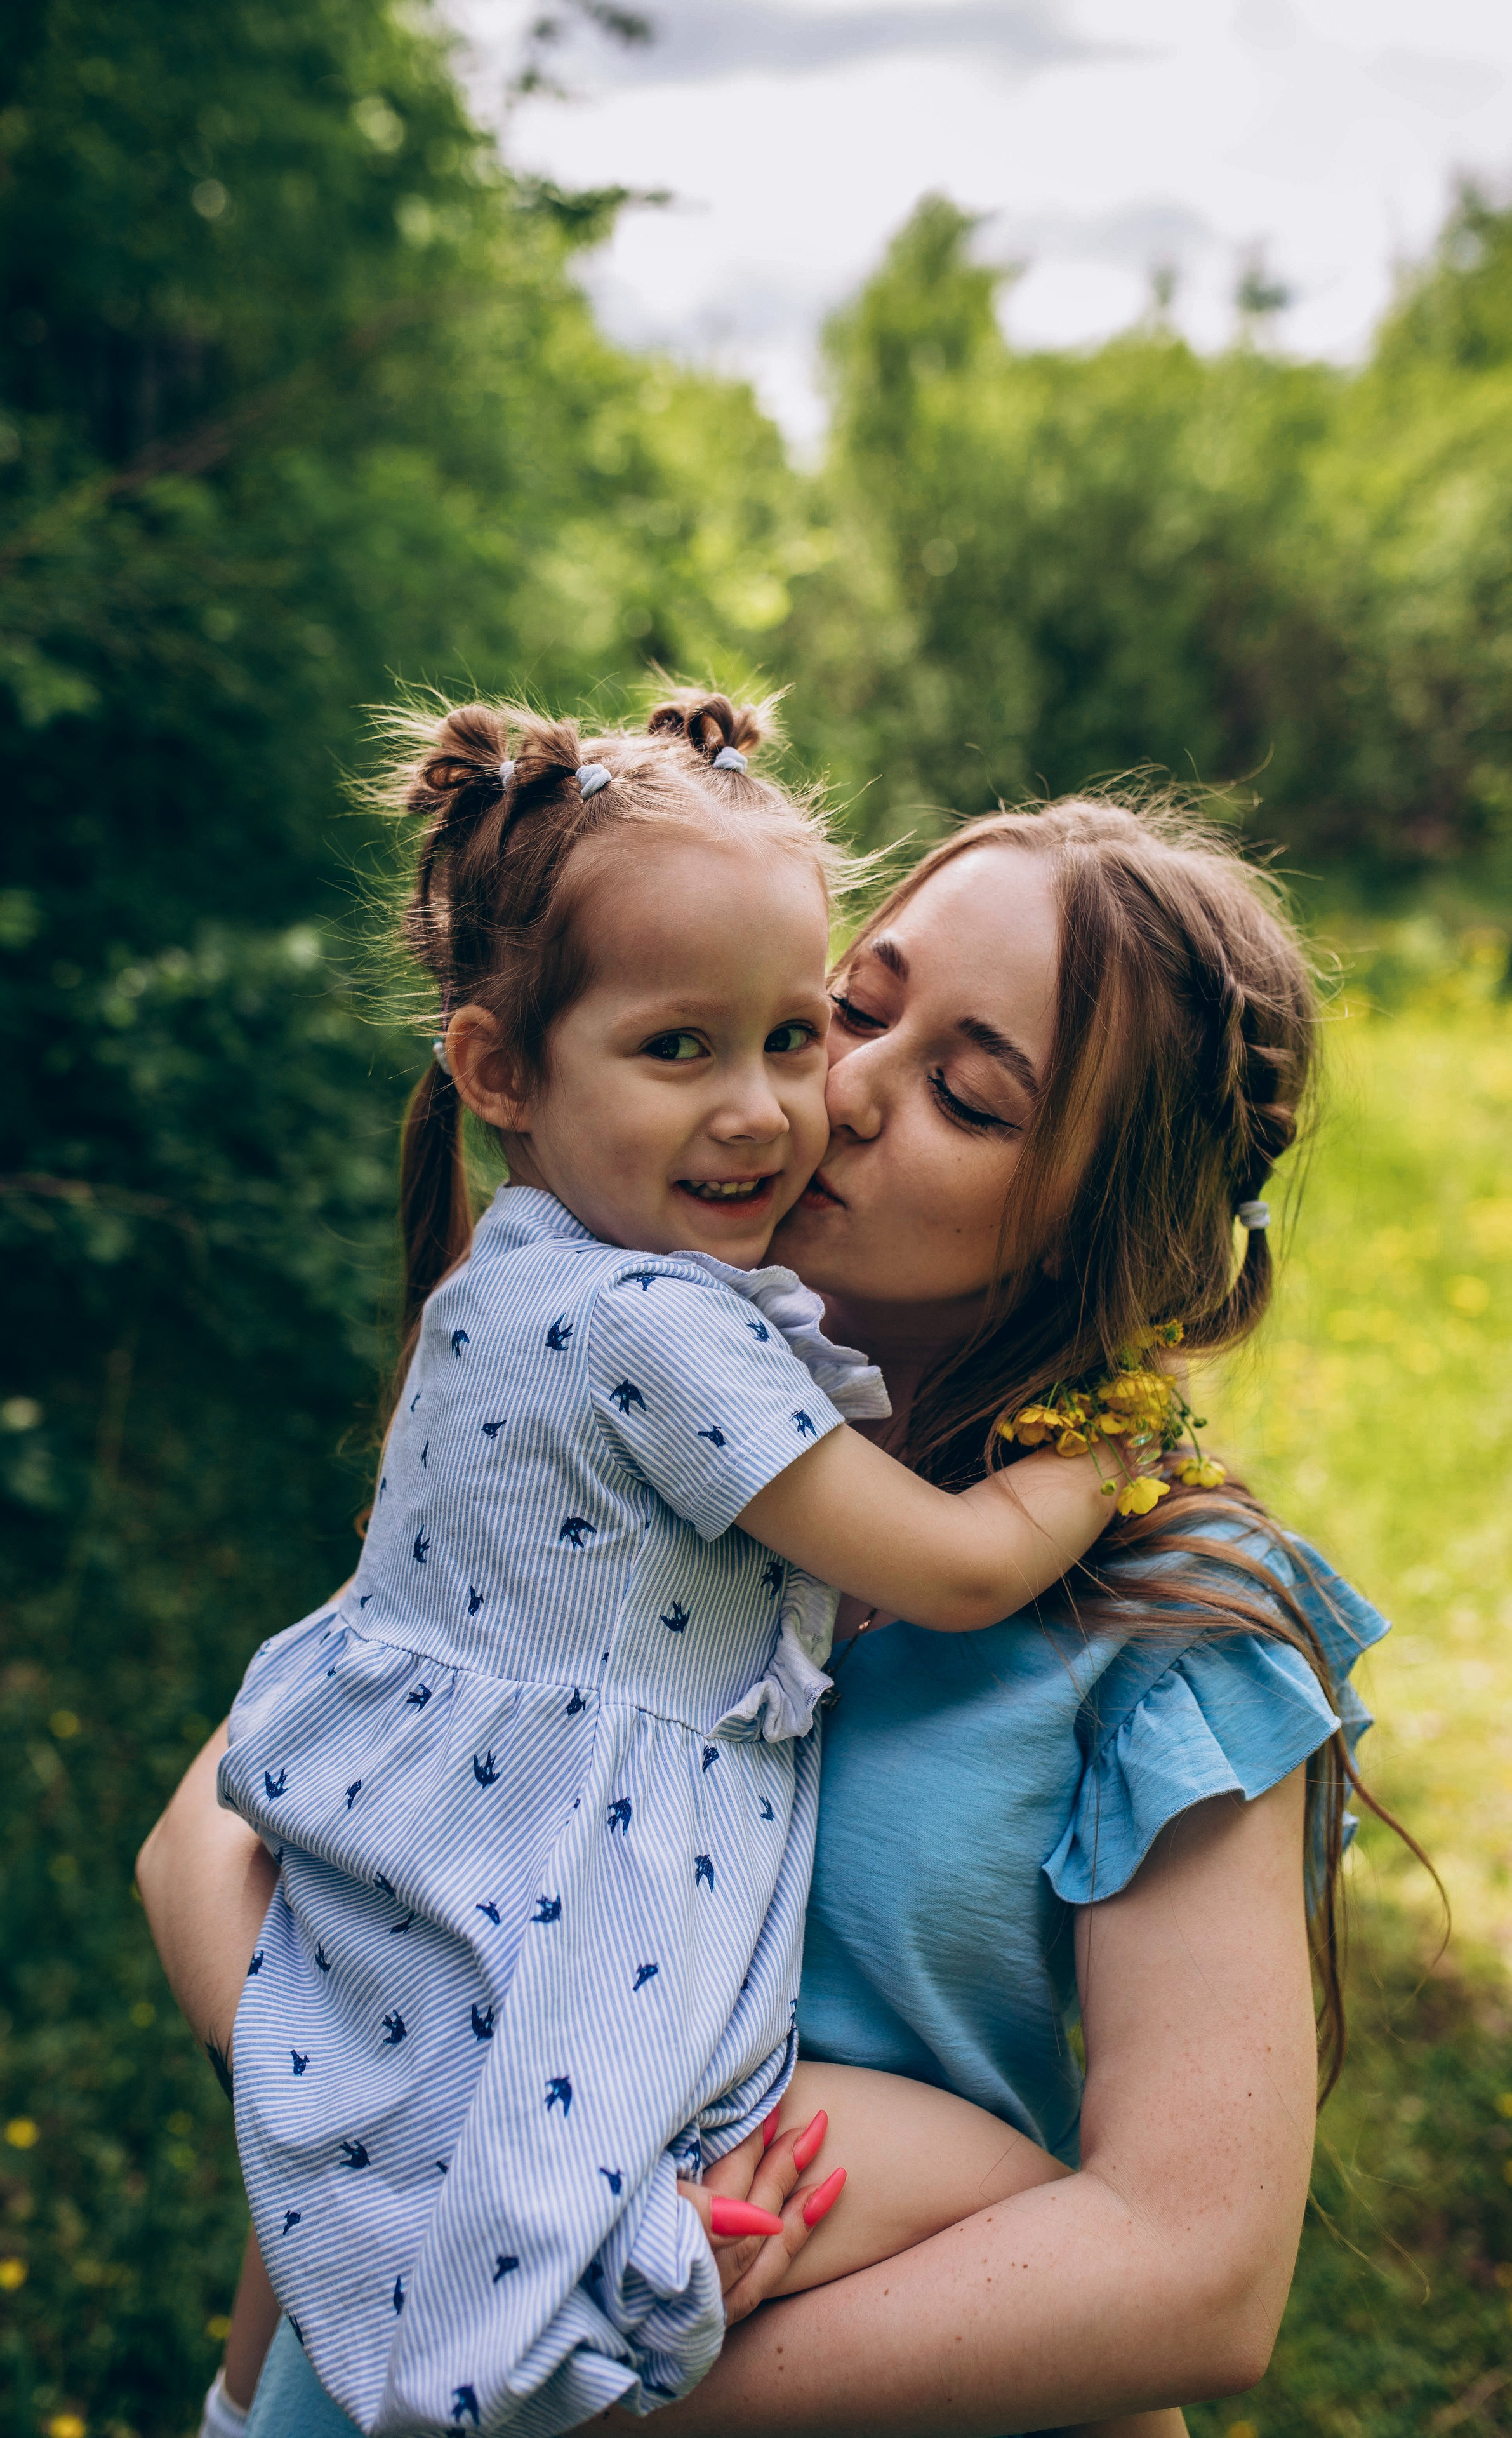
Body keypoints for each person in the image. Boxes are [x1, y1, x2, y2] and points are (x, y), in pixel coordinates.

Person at [140, 777, 1388, 2438]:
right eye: (849, 1009)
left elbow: (1193, 2274)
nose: (839, 1093)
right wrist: (444, 2160)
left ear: (1121, 1224)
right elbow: (219, 1844)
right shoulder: (618, 1393)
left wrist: (584, 2385)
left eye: (966, 1092)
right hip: (369, 2357)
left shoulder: (1171, 1618)